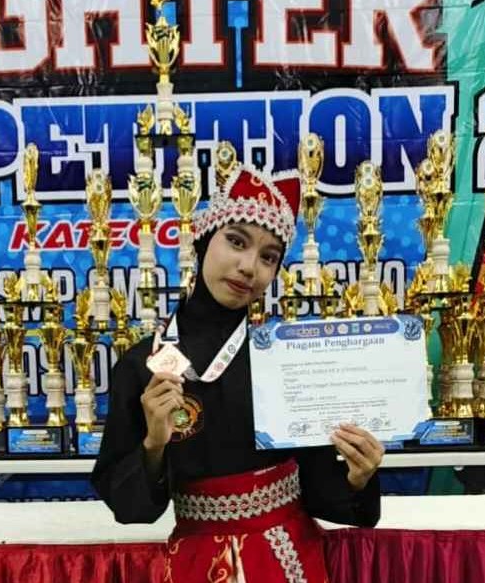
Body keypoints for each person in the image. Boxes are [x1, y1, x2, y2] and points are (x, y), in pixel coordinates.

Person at [92, 164, 384, 582]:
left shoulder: (285, 360)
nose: (249, 267)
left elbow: (320, 489)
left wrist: (358, 478)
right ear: (203, 239)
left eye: (268, 257)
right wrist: (154, 445)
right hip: (196, 564)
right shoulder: (143, 365)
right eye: (236, 241)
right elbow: (129, 509)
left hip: (287, 560)